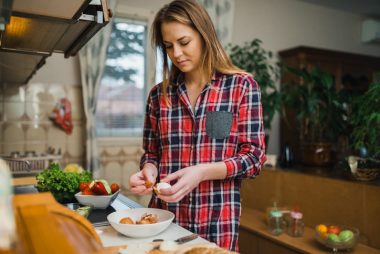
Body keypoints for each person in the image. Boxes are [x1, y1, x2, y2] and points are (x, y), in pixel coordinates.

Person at [129, 0, 266, 251]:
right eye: (168, 47)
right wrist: (148, 171)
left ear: (204, 35)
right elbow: (152, 153)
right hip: (163, 222)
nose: (177, 54)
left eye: (184, 42)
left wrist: (202, 172)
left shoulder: (241, 87)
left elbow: (254, 159)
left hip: (216, 224)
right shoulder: (158, 96)